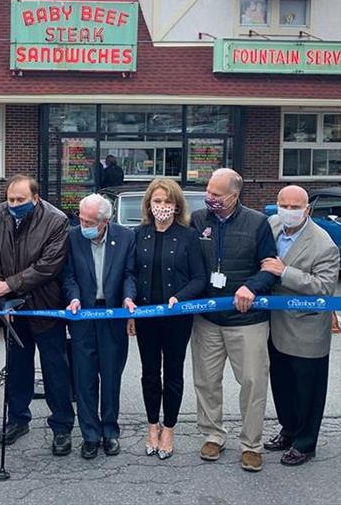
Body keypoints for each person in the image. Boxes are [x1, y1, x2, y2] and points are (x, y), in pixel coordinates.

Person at [190, 168, 277, 472]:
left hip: (247, 320)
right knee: (206, 381)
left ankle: (251, 444)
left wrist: (251, 286)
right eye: (208, 191)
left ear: (234, 195)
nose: (209, 197)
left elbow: (271, 266)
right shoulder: (198, 220)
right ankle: (213, 434)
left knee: (253, 383)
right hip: (207, 320)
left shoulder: (258, 223)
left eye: (216, 194)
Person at [0, 175, 74, 456]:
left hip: (45, 305)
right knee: (17, 368)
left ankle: (62, 427)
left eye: (21, 200)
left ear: (36, 198)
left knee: (55, 369)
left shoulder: (56, 221)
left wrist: (8, 284)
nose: (14, 204)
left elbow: (48, 266)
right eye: (10, 199)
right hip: (13, 308)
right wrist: (2, 296)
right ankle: (17, 419)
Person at [262, 185, 340, 466]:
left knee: (308, 389)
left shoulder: (324, 244)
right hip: (275, 324)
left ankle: (305, 443)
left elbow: (323, 287)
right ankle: (289, 429)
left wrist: (285, 272)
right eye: (284, 205)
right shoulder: (272, 225)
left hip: (306, 329)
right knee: (282, 385)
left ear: (307, 209)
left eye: (295, 207)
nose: (288, 211)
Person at [132, 179, 206, 460]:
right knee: (150, 373)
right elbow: (131, 273)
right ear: (149, 205)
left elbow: (200, 278)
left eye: (167, 202)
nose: (162, 207)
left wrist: (181, 296)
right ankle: (153, 425)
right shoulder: (138, 234)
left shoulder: (189, 236)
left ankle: (170, 427)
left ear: (177, 206)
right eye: (157, 201)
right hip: (146, 317)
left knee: (173, 374)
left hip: (177, 318)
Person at [62, 193, 136, 460]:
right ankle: (90, 435)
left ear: (105, 222)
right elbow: (68, 275)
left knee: (111, 377)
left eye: (90, 221)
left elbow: (129, 274)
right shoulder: (72, 237)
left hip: (112, 314)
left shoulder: (126, 237)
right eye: (81, 219)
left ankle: (110, 431)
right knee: (84, 378)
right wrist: (73, 297)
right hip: (83, 314)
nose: (84, 225)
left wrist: (129, 297)